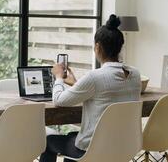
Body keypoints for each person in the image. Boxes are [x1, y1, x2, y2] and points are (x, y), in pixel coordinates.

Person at [39, 14, 142, 162]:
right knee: (71, 137)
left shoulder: (95, 77)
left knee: (48, 142)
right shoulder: (135, 75)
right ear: (120, 47)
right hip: (123, 146)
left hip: (93, 150)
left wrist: (59, 77)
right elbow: (104, 92)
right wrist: (76, 83)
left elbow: (59, 100)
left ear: (97, 47)